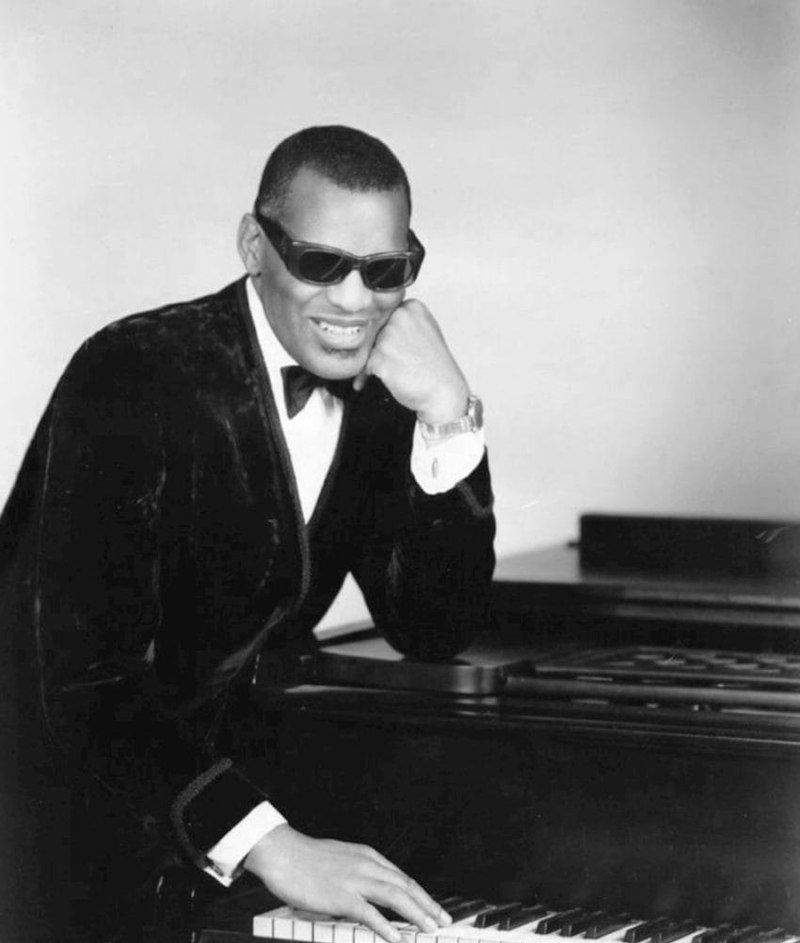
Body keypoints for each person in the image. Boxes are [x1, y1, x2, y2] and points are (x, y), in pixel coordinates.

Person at [0, 125, 495, 942]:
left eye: (384, 272)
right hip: (51, 835)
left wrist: (447, 415)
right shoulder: (133, 372)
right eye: (318, 263)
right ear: (253, 245)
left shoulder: (382, 399)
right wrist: (272, 844)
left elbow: (433, 626)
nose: (352, 301)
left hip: (219, 841)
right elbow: (87, 686)